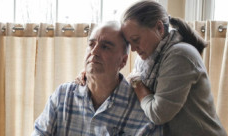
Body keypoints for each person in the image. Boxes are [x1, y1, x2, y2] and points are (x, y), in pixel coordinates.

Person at [32, 21, 163, 136]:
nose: (94, 51)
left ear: (123, 61)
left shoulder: (142, 113)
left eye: (105, 47)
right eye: (91, 44)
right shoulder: (62, 96)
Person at [120, 0, 227, 136]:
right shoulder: (147, 57)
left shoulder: (180, 55)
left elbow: (158, 113)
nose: (133, 49)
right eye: (129, 43)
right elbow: (135, 94)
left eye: (136, 39)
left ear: (159, 28)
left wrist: (138, 84)